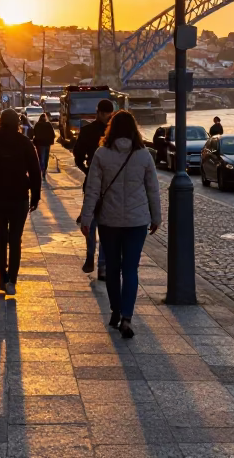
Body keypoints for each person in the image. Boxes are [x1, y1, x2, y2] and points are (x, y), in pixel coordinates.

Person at [79, 110, 160, 339]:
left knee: (113, 268)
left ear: (111, 128)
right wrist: (156, 217)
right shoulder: (144, 155)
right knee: (131, 269)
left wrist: (86, 219)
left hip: (109, 220)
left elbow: (92, 190)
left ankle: (115, 309)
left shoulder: (101, 154)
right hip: (136, 221)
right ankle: (127, 316)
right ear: (134, 130)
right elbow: (153, 189)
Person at [0, 109, 42, 295]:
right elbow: (35, 171)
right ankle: (12, 279)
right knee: (15, 239)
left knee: (0, 237)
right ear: (17, 123)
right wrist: (35, 195)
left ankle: (2, 275)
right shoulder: (24, 142)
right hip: (19, 196)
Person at [72, 99, 113, 277]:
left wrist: (88, 171)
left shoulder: (87, 131)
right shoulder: (114, 133)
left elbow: (77, 156)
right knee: (105, 225)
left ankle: (90, 256)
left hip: (92, 183)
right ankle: (102, 265)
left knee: (91, 221)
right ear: (104, 113)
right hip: (110, 184)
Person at [32, 113, 56, 178]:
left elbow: (33, 133)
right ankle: (44, 169)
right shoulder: (48, 124)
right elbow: (53, 135)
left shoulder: (37, 125)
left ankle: (42, 169)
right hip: (47, 144)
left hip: (39, 144)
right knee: (46, 157)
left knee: (41, 157)